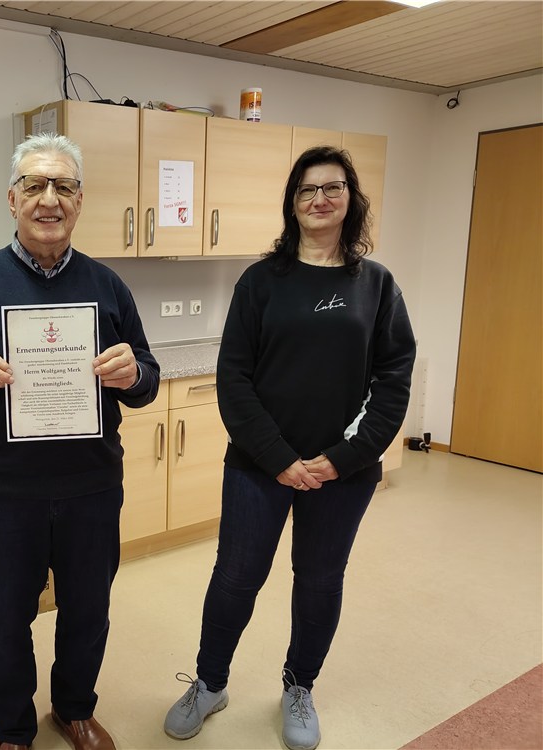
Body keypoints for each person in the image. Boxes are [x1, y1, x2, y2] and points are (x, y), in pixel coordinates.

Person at [163, 146, 416, 750]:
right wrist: (279, 458)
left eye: (332, 188)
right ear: (292, 203)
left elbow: (393, 380)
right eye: (307, 190)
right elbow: (234, 379)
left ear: (350, 199)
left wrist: (342, 459)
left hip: (342, 471)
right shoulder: (261, 282)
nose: (319, 199)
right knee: (236, 577)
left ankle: (299, 687)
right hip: (259, 466)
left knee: (320, 580)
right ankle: (210, 683)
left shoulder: (376, 285)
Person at [0, 133, 160, 750]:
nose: (49, 199)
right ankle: (13, 730)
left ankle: (74, 710)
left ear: (80, 200)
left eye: (64, 186)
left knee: (88, 610)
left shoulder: (108, 285)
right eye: (34, 185)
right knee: (3, 619)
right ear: (12, 199)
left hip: (91, 486)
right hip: (5, 490)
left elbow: (147, 379)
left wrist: (133, 374)